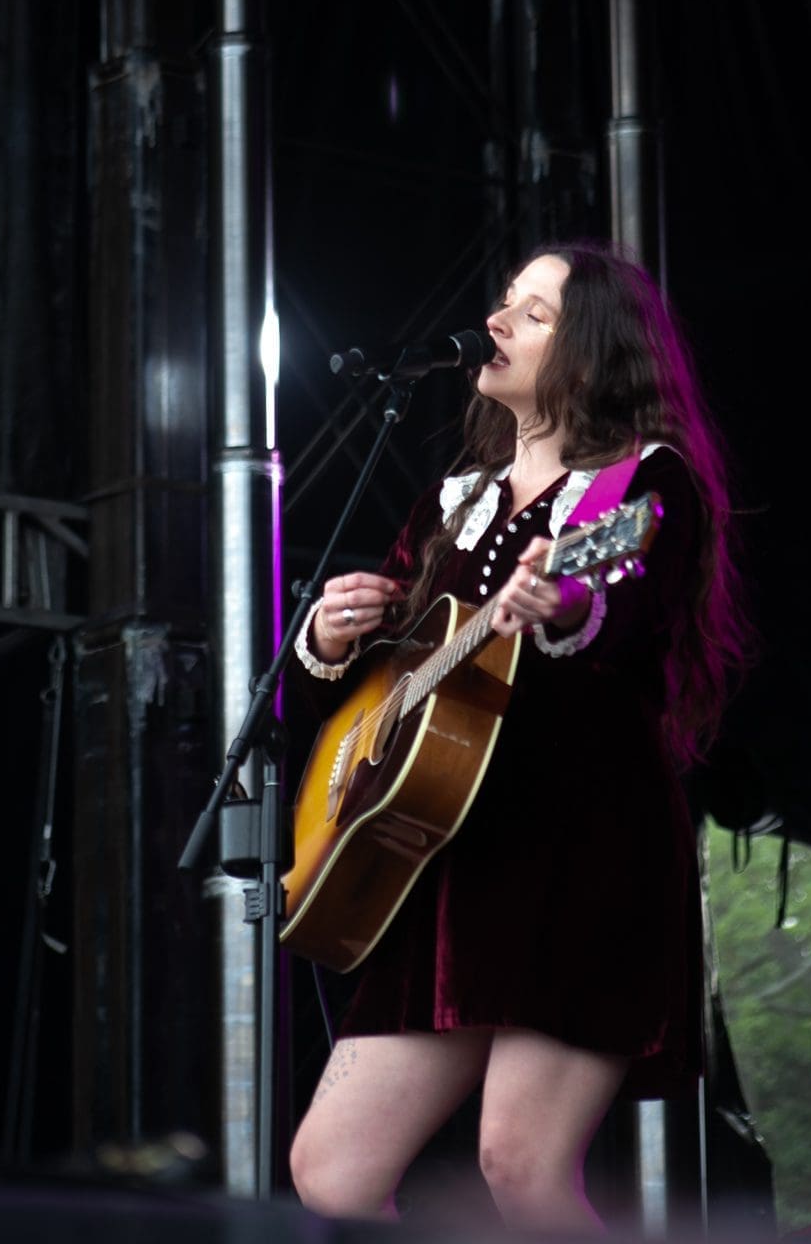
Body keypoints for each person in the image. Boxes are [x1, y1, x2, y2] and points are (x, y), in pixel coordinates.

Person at [288, 240, 750, 1230]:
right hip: (444, 857)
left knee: (521, 1164)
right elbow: (396, 669)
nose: (495, 321)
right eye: (503, 303)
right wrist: (328, 636)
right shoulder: (454, 501)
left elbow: (625, 619)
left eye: (531, 312)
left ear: (591, 351)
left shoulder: (643, 487)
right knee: (330, 1170)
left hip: (580, 852)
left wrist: (564, 602)